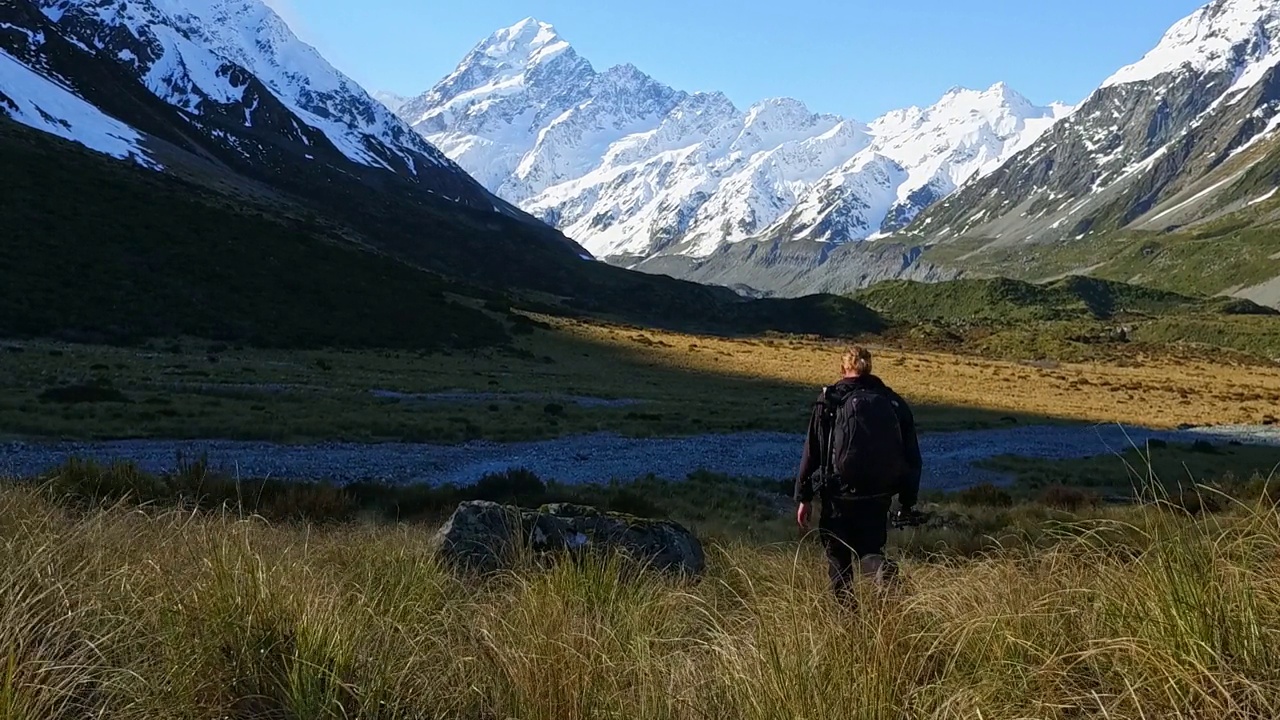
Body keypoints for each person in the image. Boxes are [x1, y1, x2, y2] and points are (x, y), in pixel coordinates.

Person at [794, 345, 922, 601]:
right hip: (878, 496)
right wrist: (907, 502)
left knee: (839, 561)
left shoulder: (829, 400)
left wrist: (803, 497)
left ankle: (847, 625)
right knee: (870, 551)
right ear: (869, 368)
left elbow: (812, 452)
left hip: (837, 497)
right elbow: (912, 457)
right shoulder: (893, 402)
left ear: (843, 369)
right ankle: (880, 573)